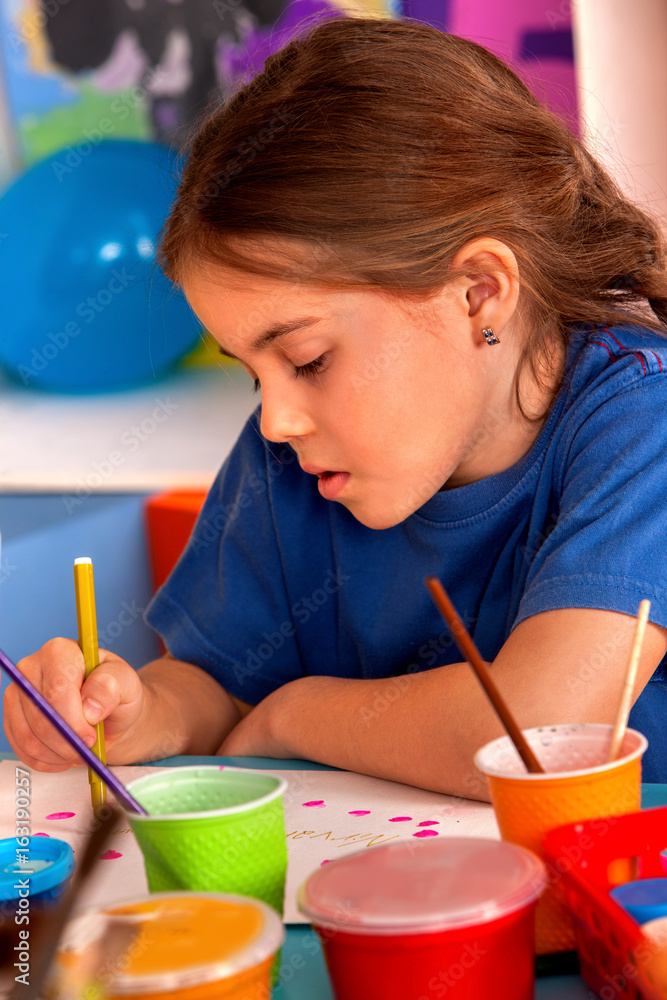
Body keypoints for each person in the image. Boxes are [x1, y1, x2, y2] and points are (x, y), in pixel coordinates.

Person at [5, 17, 667, 796]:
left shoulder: (640, 426)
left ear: (478, 292)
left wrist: (298, 715)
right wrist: (135, 709)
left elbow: (534, 735)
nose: (277, 420)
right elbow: (217, 692)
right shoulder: (291, 454)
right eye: (254, 374)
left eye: (306, 360)